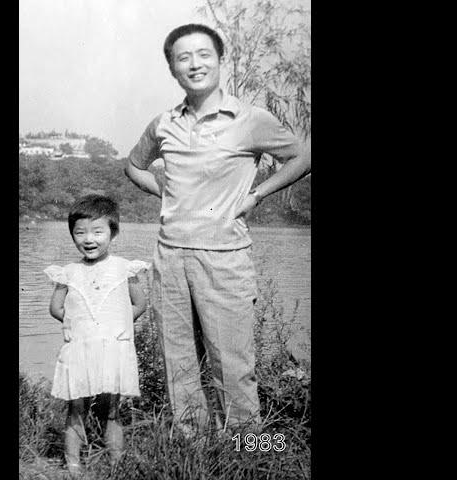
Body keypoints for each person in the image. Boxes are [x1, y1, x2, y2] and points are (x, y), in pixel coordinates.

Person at [124, 24, 311, 432]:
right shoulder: (163, 124)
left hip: (225, 259)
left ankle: (252, 453)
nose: (195, 64)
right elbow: (133, 165)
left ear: (220, 61)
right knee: (180, 365)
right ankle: (194, 452)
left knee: (233, 367)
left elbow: (302, 156)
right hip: (169, 258)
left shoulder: (250, 119)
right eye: (183, 57)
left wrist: (258, 194)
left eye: (204, 54)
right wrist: (167, 193)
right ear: (172, 68)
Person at [44, 195, 149, 473]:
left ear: (112, 233)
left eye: (97, 231)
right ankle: (74, 465)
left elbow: (139, 304)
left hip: (113, 348)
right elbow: (56, 307)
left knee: (112, 411)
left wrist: (118, 326)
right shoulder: (69, 272)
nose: (89, 239)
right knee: (75, 409)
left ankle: (116, 463)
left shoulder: (124, 269)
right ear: (72, 235)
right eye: (80, 232)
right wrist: (76, 323)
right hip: (80, 348)